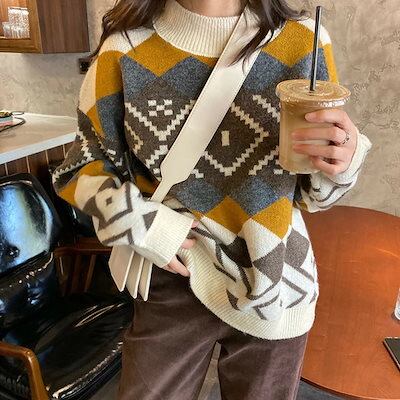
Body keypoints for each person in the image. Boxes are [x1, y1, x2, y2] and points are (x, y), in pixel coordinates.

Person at [52, 0, 372, 399]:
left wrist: (343, 158)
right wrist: (142, 224)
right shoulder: (125, 48)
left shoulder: (303, 41)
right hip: (173, 275)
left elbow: (311, 195)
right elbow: (79, 167)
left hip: (275, 279)